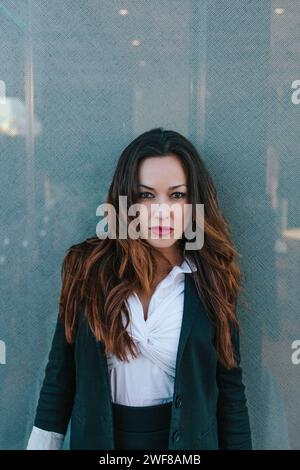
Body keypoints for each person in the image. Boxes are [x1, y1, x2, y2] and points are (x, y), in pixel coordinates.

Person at [27, 127, 252, 450]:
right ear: (127, 201)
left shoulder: (211, 276)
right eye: (147, 195)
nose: (162, 210)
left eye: (177, 195)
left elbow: (230, 391)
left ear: (194, 202)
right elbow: (60, 378)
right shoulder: (86, 268)